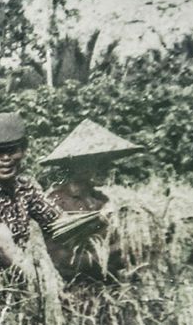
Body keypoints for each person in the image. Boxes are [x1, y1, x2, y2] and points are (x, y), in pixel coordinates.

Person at [40, 119, 144, 283]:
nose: (92, 166)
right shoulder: (56, 202)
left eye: (96, 159)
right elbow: (60, 260)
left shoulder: (102, 200)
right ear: (70, 163)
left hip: (109, 284)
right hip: (76, 288)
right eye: (84, 160)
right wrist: (111, 252)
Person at [0, 112, 62, 272]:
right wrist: (44, 283)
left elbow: (58, 222)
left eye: (12, 150)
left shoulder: (25, 186)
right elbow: (4, 249)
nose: (6, 158)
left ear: (24, 149)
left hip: (20, 278)